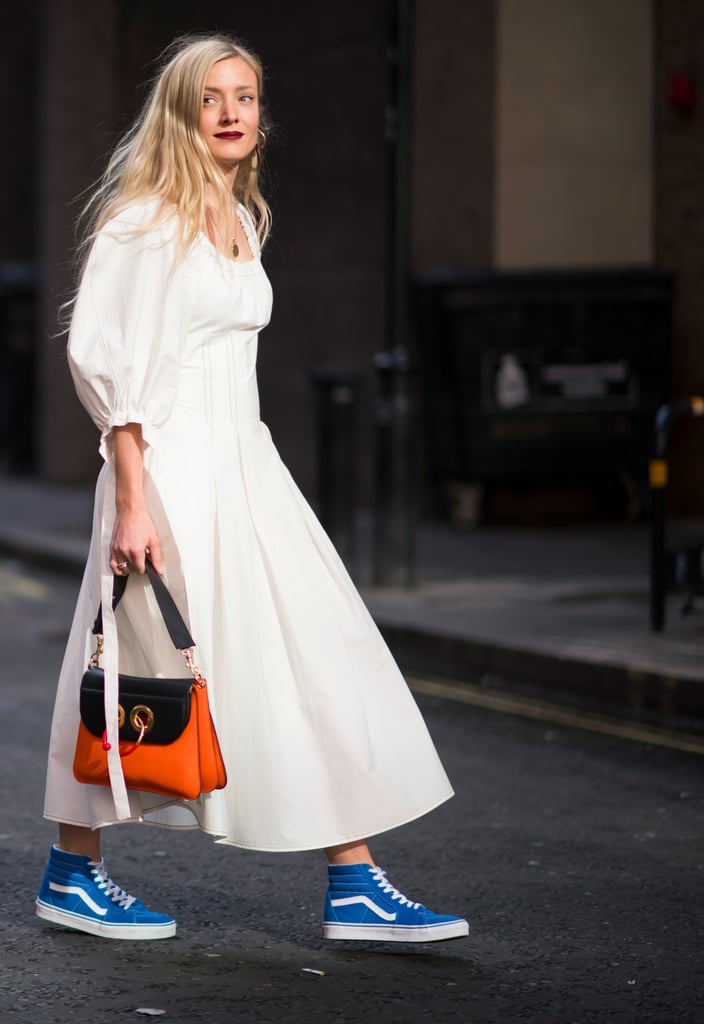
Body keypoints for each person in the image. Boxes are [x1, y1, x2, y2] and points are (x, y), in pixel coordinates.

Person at [36, 32, 468, 944]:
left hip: (248, 463)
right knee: (132, 670)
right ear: (181, 113)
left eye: (247, 97)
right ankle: (72, 870)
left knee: (316, 651)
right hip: (170, 473)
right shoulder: (146, 220)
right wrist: (133, 499)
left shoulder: (240, 216)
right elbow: (104, 358)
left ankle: (353, 878)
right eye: (211, 99)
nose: (233, 114)